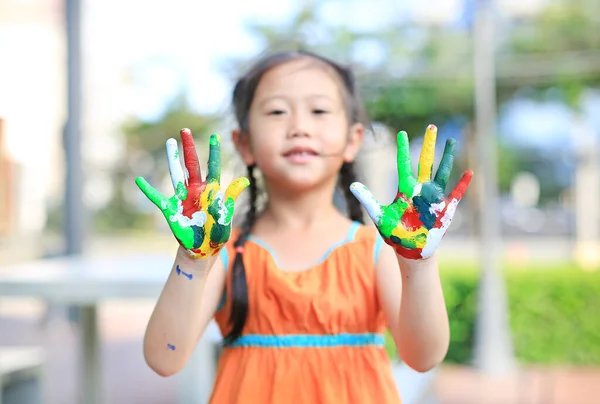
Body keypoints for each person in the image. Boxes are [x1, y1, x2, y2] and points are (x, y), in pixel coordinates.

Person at [135, 50, 473, 403]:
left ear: (352, 140)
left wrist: (418, 262)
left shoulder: (376, 249)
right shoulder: (222, 253)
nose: (299, 126)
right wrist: (192, 260)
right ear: (244, 143)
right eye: (278, 111)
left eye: (319, 111)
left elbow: (423, 357)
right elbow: (164, 358)